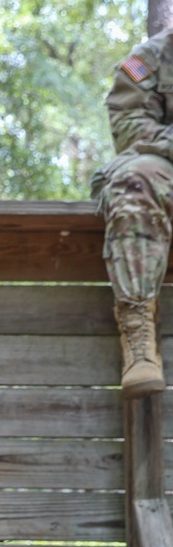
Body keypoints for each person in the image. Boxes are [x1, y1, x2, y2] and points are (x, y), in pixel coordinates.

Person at [92, 28, 173, 395]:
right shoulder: (151, 59)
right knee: (134, 177)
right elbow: (129, 128)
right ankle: (139, 336)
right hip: (166, 169)